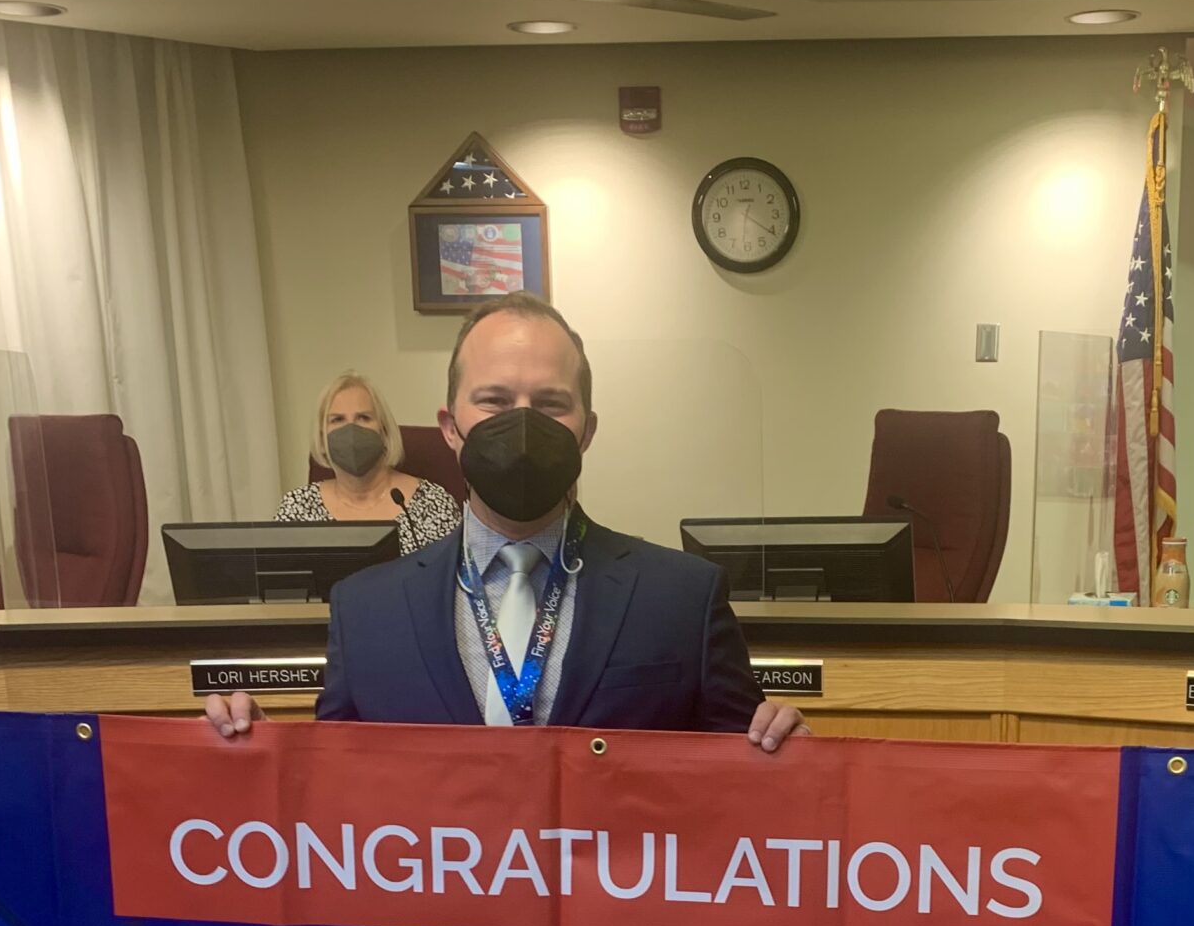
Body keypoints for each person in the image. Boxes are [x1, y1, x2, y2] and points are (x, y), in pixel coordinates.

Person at [209, 293, 802, 749]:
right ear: (449, 427)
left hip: (605, 902)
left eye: (550, 404)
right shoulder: (365, 611)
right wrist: (264, 756)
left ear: (586, 431)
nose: (522, 424)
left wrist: (788, 754)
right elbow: (335, 793)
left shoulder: (683, 598)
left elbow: (739, 791)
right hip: (437, 906)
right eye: (493, 401)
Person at [270, 371, 461, 551]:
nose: (351, 430)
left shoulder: (433, 503)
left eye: (363, 417)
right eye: (337, 420)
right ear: (321, 438)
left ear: (384, 431)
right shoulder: (297, 508)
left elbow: (461, 580)